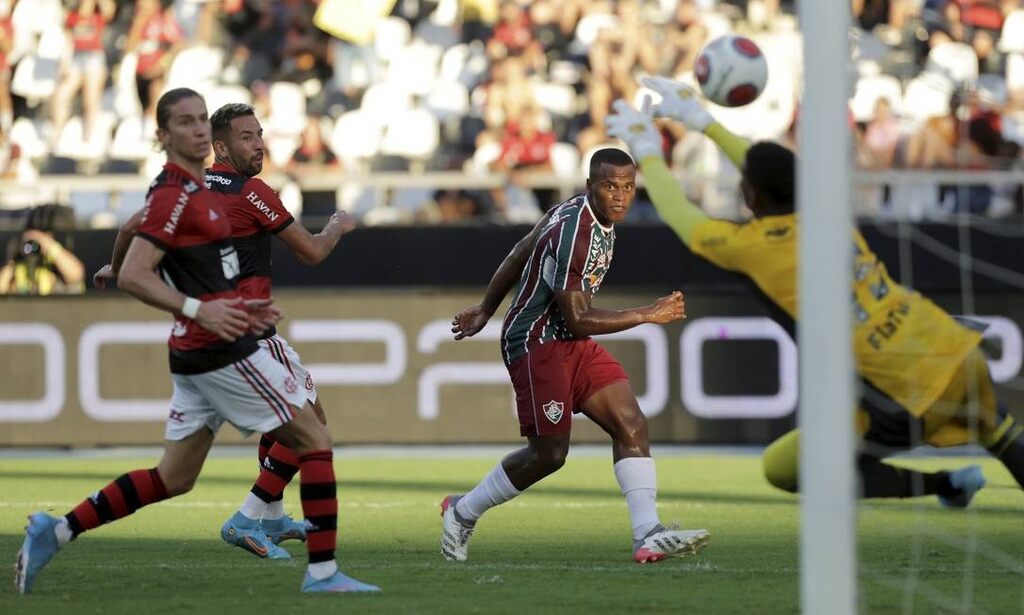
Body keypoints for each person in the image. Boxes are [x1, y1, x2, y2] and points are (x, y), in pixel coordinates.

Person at [15, 88, 379, 595]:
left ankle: (54, 530)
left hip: (198, 349)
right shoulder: (184, 194)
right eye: (185, 123)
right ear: (164, 135)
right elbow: (136, 278)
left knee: (173, 478)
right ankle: (320, 572)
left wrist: (232, 301)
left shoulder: (191, 189)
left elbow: (140, 236)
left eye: (200, 120)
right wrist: (198, 307)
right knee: (314, 437)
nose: (198, 129)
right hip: (222, 348)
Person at [605, 77, 1024, 505]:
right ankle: (954, 483)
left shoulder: (752, 248)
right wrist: (703, 122)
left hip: (903, 388)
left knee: (785, 468)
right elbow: (775, 170)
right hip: (952, 345)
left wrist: (649, 153)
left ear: (749, 195)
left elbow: (681, 216)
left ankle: (942, 485)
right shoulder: (826, 209)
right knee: (1001, 434)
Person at [94, 102, 358, 561]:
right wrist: (335, 226)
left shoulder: (190, 188)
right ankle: (250, 518)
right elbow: (312, 252)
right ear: (220, 146)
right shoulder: (253, 192)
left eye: (259, 135)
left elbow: (130, 225)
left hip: (206, 334)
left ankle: (272, 518)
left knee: (271, 433)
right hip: (250, 333)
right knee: (311, 427)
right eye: (247, 137)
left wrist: (117, 268)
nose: (258, 145)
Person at [442, 147, 709, 564]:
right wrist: (647, 313)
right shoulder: (576, 235)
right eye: (609, 186)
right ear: (590, 186)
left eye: (627, 187)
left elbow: (520, 251)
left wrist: (484, 308)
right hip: (538, 342)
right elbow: (580, 318)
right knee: (549, 454)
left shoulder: (579, 212)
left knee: (630, 422)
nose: (619, 196)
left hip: (571, 340)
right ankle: (462, 512)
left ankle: (648, 533)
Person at [0, 227, 84, 295]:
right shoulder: (17, 266)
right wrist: (11, 260)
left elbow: (76, 275)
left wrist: (47, 244)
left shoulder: (56, 264)